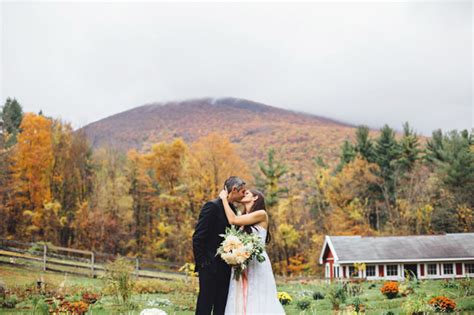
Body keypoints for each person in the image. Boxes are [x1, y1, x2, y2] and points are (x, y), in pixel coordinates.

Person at [219, 187, 285, 315]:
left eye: (247, 193)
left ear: (255, 198)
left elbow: (233, 220)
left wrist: (224, 199)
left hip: (257, 262)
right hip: (242, 261)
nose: (244, 194)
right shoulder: (243, 216)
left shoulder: (261, 214)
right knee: (239, 295)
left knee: (257, 294)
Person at [192, 176, 247, 315]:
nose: (244, 195)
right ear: (234, 189)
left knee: (221, 305)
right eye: (242, 191)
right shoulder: (212, 207)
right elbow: (198, 237)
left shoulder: (234, 212)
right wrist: (203, 263)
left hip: (226, 267)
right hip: (209, 266)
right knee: (205, 304)